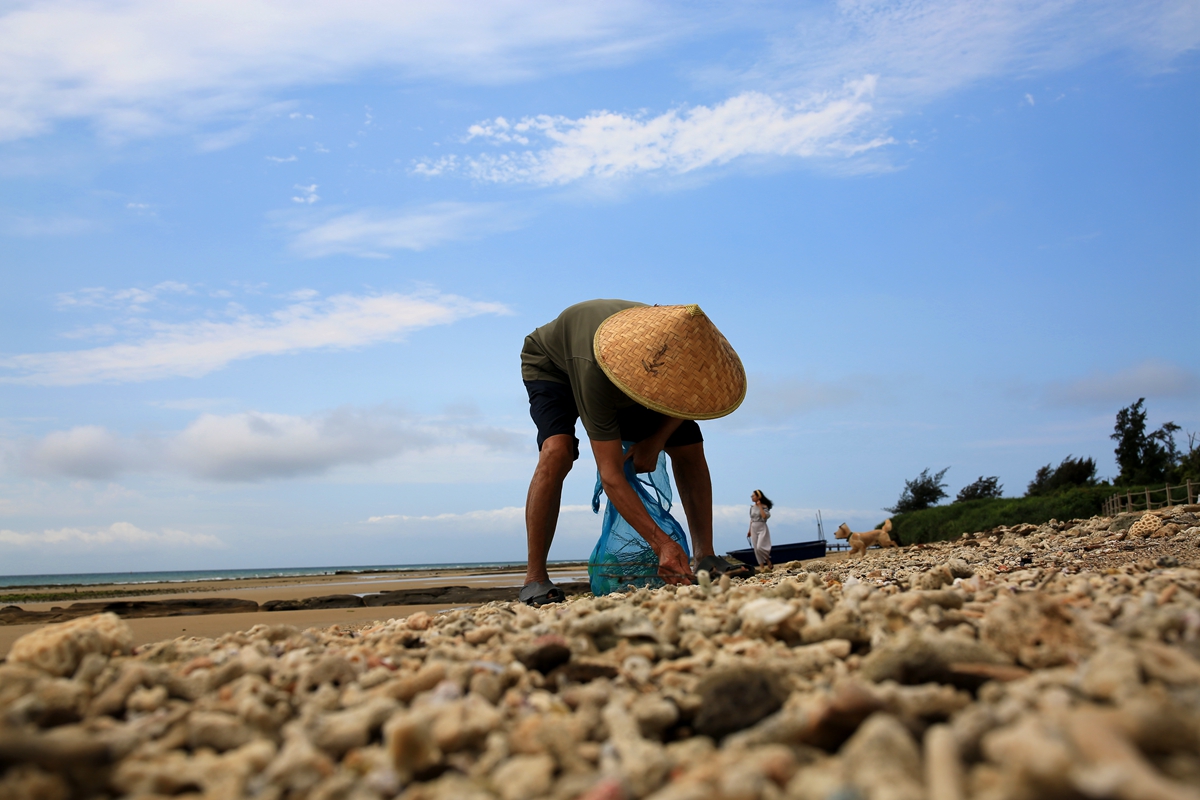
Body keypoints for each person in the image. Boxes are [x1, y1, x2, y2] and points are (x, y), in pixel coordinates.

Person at [519, 299, 747, 605]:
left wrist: (654, 442)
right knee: (557, 451)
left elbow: (689, 400)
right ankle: (534, 578)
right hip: (553, 366)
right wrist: (661, 543)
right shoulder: (595, 373)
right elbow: (611, 475)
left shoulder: (680, 349)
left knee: (689, 444)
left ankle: (705, 555)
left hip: (643, 366)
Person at [746, 489, 774, 570]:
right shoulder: (752, 507)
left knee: (760, 546)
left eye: (753, 496)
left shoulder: (764, 506)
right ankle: (762, 567)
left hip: (762, 526)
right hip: (753, 526)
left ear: (758, 497)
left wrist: (760, 506)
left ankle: (767, 559)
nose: (752, 497)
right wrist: (749, 530)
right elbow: (751, 519)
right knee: (756, 548)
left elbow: (764, 516)